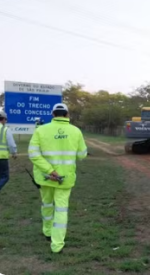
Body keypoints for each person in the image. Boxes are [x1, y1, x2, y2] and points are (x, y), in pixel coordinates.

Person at [28, 103, 87, 254]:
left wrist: (49, 170)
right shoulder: (76, 131)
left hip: (45, 177)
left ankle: (47, 232)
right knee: (61, 210)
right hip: (65, 179)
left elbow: (33, 154)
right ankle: (57, 245)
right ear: (67, 115)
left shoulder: (40, 130)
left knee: (46, 205)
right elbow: (82, 155)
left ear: (53, 114)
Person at [0, 110, 17, 191]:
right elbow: (11, 144)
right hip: (2, 157)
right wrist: (14, 153)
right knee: (5, 177)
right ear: (3, 119)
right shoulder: (5, 130)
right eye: (5, 120)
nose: (5, 122)